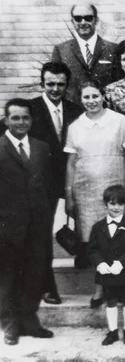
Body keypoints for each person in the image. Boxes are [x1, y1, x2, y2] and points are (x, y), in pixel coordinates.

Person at [64, 80, 125, 306]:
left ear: (103, 96)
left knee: (118, 240)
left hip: (114, 187)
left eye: (95, 96)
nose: (91, 101)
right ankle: (100, 289)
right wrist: (69, 194)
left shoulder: (120, 121)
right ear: (80, 99)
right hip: (86, 193)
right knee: (97, 242)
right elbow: (71, 163)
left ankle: (119, 288)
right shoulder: (75, 127)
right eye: (86, 97)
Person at [26, 62, 84, 305]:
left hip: (72, 180)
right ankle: (47, 286)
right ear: (42, 83)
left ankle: (85, 263)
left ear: (67, 85)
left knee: (82, 226)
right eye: (50, 84)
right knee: (40, 233)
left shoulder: (75, 109)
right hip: (41, 183)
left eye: (61, 84)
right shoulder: (29, 109)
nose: (55, 89)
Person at [0, 98, 54, 346]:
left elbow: (48, 186)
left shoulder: (41, 148)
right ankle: (10, 324)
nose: (21, 122)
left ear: (31, 120)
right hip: (7, 226)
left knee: (34, 273)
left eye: (25, 118)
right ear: (6, 120)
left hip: (37, 225)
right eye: (15, 118)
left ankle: (30, 320)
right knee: (8, 276)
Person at [88, 185, 125, 346]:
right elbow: (92, 250)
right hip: (106, 272)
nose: (116, 207)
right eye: (112, 203)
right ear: (106, 204)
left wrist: (121, 263)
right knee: (110, 301)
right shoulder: (97, 227)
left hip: (124, 271)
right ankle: (112, 332)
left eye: (120, 204)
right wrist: (100, 263)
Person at [52, 3, 117, 103]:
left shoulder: (113, 49)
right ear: (72, 21)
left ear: (96, 20)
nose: (83, 22)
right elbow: (56, 85)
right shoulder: (61, 50)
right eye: (78, 18)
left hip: (105, 112)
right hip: (73, 113)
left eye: (88, 18)